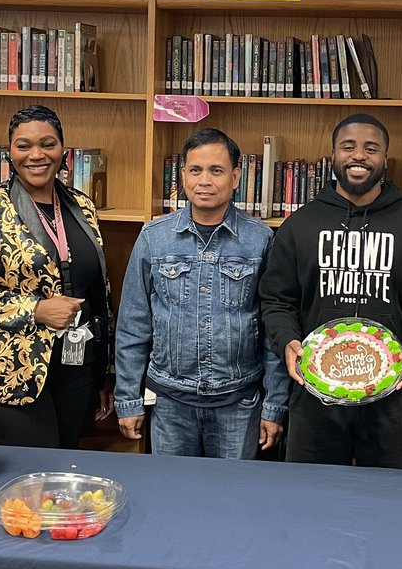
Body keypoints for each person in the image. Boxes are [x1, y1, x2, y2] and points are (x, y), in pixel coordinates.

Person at [259, 113, 402, 469]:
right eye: (348, 146)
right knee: (311, 501)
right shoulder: (299, 226)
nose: (358, 156)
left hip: (391, 401)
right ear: (334, 154)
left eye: (371, 148)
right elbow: (276, 300)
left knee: (388, 505)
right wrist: (286, 338)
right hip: (313, 397)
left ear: (385, 158)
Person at [0, 105, 114, 448]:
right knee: (30, 475)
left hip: (75, 365)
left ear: (63, 150)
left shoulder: (82, 206)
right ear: (10, 153)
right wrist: (35, 309)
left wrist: (104, 373)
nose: (36, 155)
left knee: (64, 467)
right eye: (24, 146)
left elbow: (99, 291)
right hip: (8, 369)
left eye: (47, 144)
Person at [114, 128, 287, 458]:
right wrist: (127, 399)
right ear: (183, 176)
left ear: (236, 177)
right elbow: (133, 326)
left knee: (234, 500)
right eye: (195, 170)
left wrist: (275, 404)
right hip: (169, 402)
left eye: (216, 170)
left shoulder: (260, 239)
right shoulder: (154, 237)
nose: (204, 180)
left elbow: (272, 332)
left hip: (238, 402)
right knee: (172, 497)